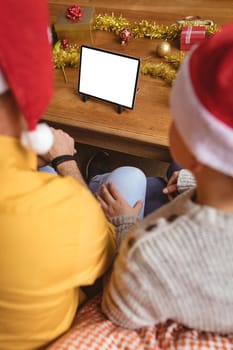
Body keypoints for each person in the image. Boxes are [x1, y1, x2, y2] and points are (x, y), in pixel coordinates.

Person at [98, 23, 233, 334]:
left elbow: (117, 313)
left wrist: (125, 226)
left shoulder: (151, 253)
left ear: (198, 153)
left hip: (160, 288)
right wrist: (191, 182)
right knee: (155, 183)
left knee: (121, 181)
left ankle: (94, 182)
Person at [0, 2, 119, 349]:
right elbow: (110, 255)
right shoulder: (63, 213)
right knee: (129, 180)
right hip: (71, 331)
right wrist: (65, 162)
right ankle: (94, 175)